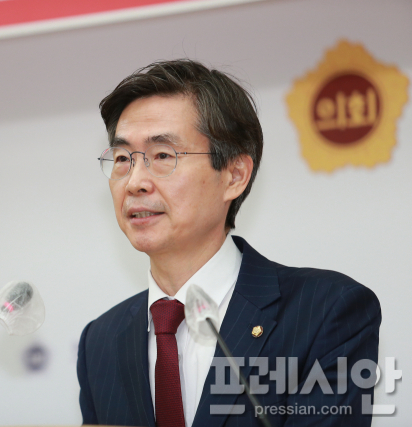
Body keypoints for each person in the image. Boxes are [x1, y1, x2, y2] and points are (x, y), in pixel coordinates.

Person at [77, 59, 381, 427]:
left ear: (235, 175)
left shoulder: (325, 311)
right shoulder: (101, 341)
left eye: (163, 156)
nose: (134, 182)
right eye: (123, 158)